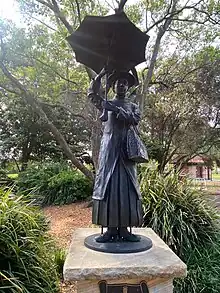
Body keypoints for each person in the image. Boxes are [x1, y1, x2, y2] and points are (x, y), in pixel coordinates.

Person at [88, 69, 143, 243]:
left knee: (127, 188)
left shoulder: (133, 106)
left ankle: (125, 229)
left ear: (128, 87)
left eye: (125, 83)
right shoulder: (105, 104)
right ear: (113, 86)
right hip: (109, 149)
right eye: (119, 82)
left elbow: (134, 120)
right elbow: (92, 94)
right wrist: (99, 76)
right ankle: (110, 230)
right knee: (109, 187)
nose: (122, 85)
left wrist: (119, 111)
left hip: (126, 152)